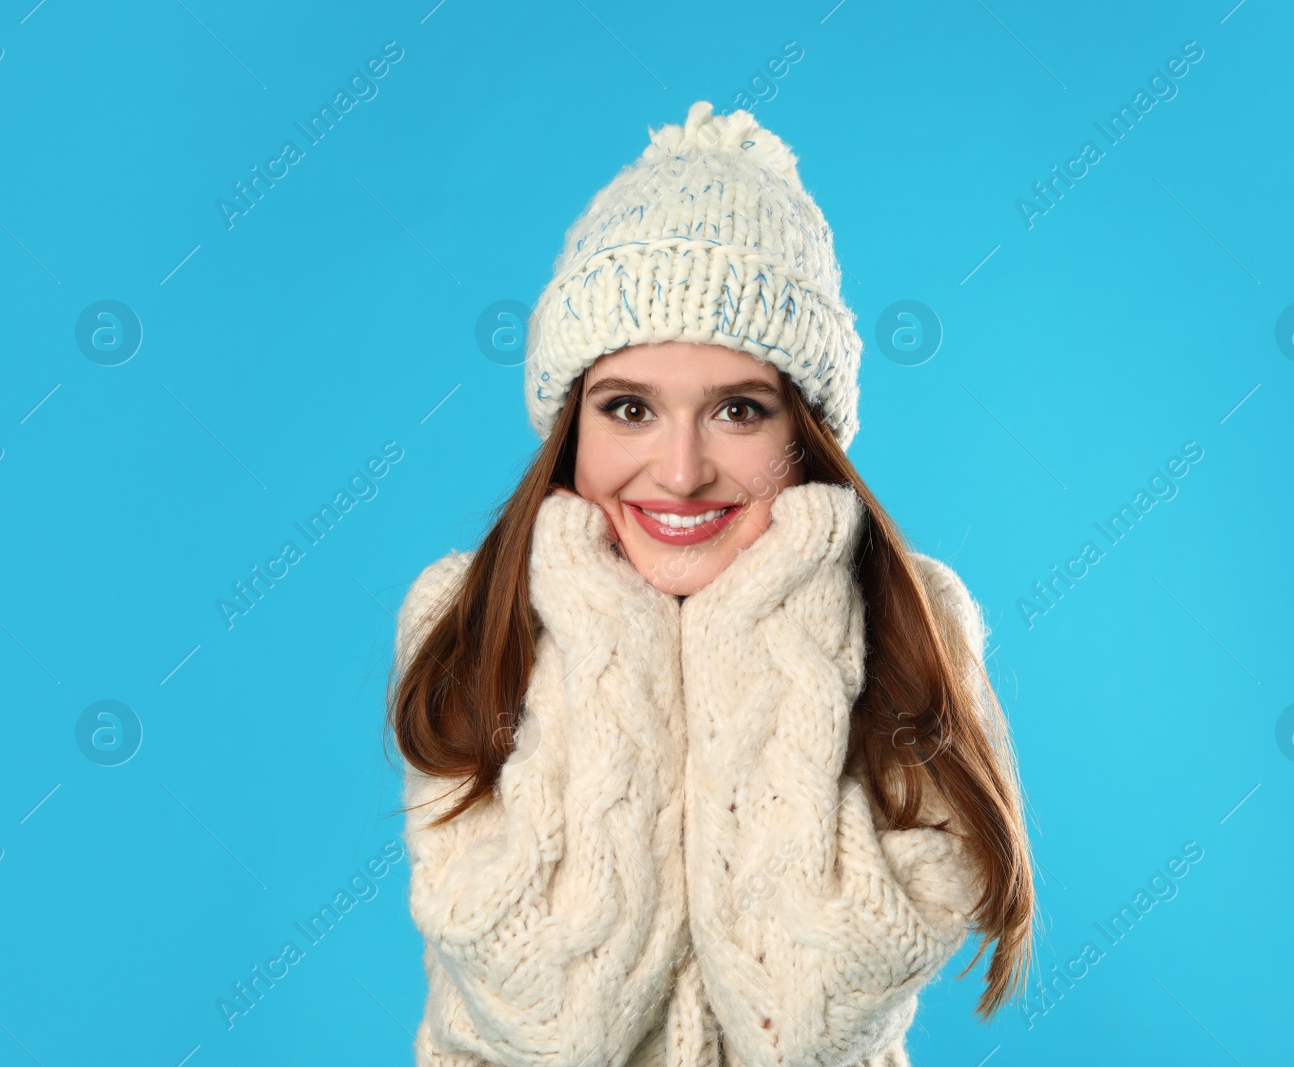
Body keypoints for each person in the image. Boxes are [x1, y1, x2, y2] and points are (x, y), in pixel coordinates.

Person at [387, 100, 1035, 1067]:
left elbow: (805, 1021)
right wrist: (619, 635)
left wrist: (760, 623)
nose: (681, 470)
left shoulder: (912, 621)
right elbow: (558, 1019)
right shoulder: (469, 620)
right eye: (630, 408)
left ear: (803, 436)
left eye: (738, 410)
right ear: (571, 429)